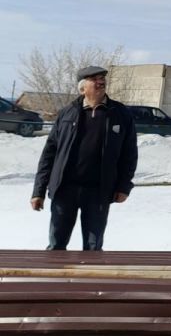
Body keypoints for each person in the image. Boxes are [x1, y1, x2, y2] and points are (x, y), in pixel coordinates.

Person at [30, 65, 138, 250]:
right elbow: (49, 154)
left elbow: (129, 154)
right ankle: (53, 278)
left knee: (93, 247)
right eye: (94, 79)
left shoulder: (120, 114)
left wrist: (124, 186)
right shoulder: (67, 113)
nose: (100, 81)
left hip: (98, 191)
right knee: (56, 244)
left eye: (102, 78)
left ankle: (90, 278)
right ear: (82, 87)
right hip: (65, 189)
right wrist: (38, 191)